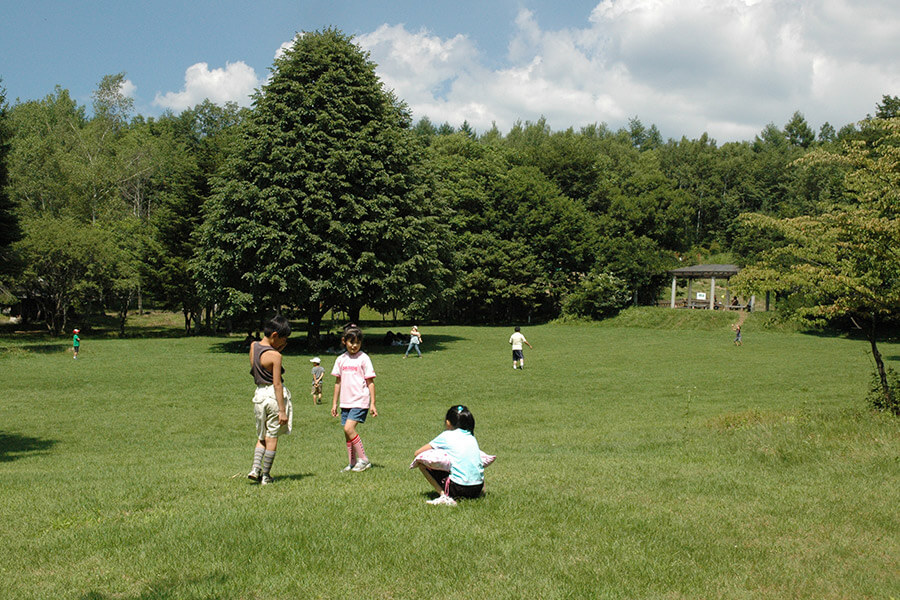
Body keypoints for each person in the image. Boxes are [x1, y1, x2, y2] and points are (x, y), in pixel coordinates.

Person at [246, 315, 293, 486]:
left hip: (258, 395)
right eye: (283, 339)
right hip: (273, 397)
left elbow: (254, 368)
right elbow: (277, 384)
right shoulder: (275, 356)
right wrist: (282, 410)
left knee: (261, 436)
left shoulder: (253, 346)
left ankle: (255, 469)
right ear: (275, 335)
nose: (284, 343)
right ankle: (266, 475)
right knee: (272, 437)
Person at [414, 405, 485, 506]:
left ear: (448, 423)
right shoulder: (471, 436)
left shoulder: (446, 435)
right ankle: (481, 494)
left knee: (421, 463)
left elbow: (417, 453)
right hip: (477, 489)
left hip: (458, 489)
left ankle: (444, 495)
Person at [331, 326, 377, 472]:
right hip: (346, 401)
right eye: (351, 342)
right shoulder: (340, 359)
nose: (354, 345)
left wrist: (373, 404)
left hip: (360, 400)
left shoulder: (364, 358)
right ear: (344, 341)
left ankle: (363, 459)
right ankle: (352, 462)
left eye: (357, 342)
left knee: (349, 428)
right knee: (347, 432)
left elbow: (370, 382)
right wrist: (334, 403)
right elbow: (338, 383)